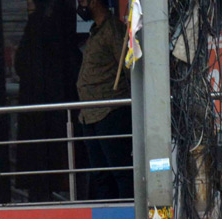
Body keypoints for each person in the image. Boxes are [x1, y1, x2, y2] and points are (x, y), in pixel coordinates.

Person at [15, 0, 80, 201]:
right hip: (59, 102)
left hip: (38, 105)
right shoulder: (60, 23)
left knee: (40, 157)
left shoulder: (38, 23)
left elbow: (20, 62)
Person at [76, 0, 133, 201]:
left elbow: (128, 67)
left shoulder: (113, 29)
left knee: (120, 172)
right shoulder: (95, 31)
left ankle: (126, 216)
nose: (80, 5)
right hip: (90, 115)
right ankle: (108, 218)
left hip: (110, 112)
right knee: (100, 176)